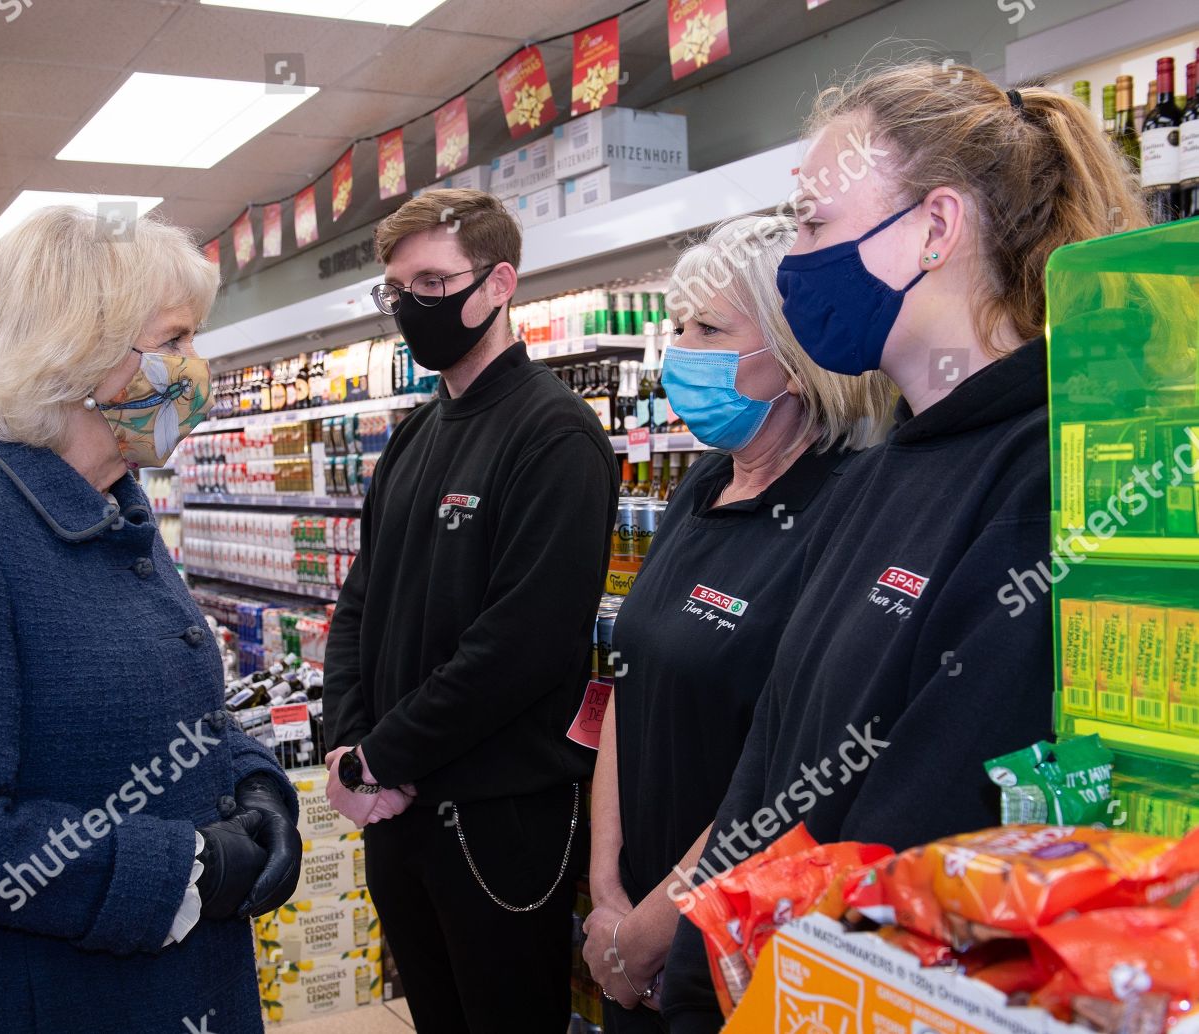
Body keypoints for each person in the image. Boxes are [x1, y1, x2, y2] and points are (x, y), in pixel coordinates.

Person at [659, 63, 1149, 1032]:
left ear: (934, 229)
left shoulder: (1044, 475)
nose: (794, 257)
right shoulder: (880, 467)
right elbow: (772, 764)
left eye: (811, 223)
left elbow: (932, 825)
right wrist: (698, 963)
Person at [0, 206, 301, 1034]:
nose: (195, 368)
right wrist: (184, 870)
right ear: (84, 349)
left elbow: (176, 706)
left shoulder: (114, 508)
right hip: (48, 998)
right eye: (175, 339)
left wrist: (254, 784)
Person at [584, 215, 894, 1031]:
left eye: (710, 329)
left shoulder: (848, 511)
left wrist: (651, 929)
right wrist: (607, 887)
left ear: (793, 361)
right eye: (677, 327)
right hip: (629, 924)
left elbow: (797, 769)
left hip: (738, 942)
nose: (681, 351)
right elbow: (629, 678)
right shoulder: (700, 489)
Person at [322, 187, 619, 1033]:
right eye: (395, 291)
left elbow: (521, 645)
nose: (409, 308)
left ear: (498, 285)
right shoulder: (416, 435)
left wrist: (381, 757)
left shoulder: (555, 435)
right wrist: (346, 747)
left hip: (499, 823)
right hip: (395, 814)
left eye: (428, 282)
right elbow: (360, 602)